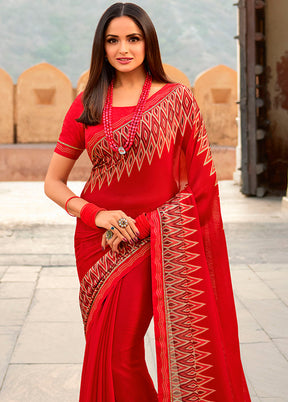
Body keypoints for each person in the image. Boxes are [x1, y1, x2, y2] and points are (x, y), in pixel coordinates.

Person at [44, 2, 251, 401]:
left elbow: (202, 190)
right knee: (106, 351)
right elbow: (54, 182)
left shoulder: (178, 100)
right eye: (113, 40)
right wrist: (96, 214)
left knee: (120, 352)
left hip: (152, 238)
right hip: (98, 241)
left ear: (148, 42)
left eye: (133, 38)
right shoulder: (87, 104)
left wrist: (140, 226)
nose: (124, 48)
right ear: (101, 47)